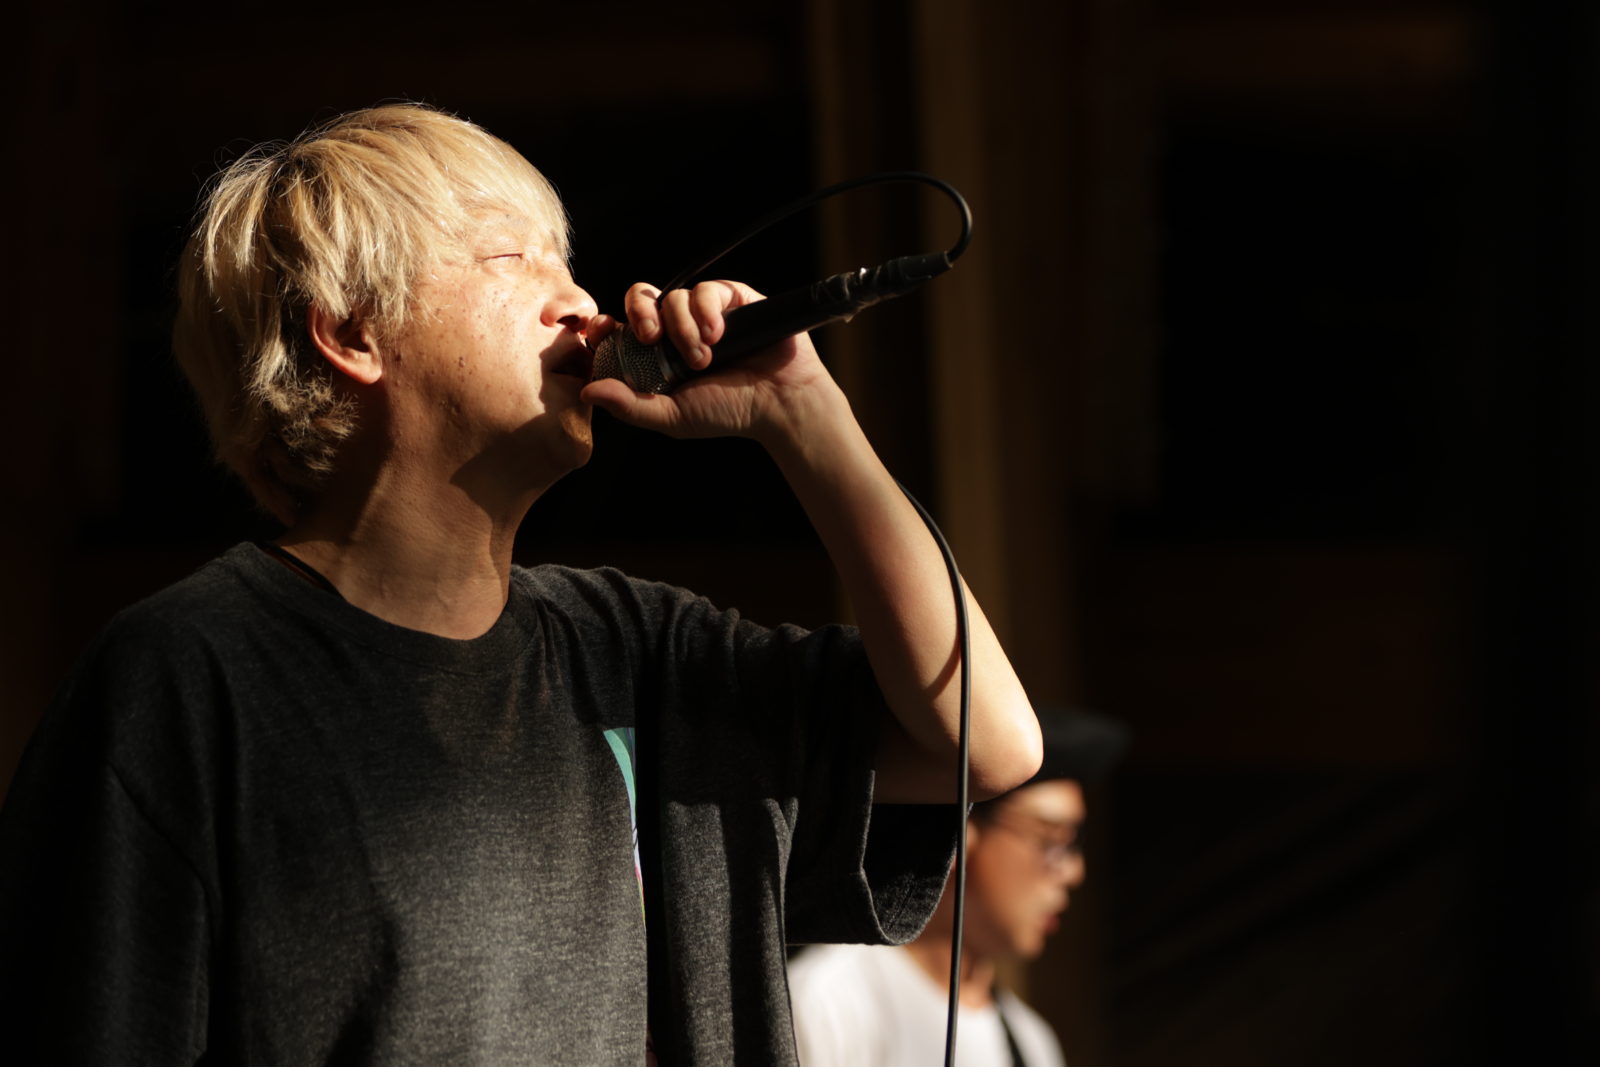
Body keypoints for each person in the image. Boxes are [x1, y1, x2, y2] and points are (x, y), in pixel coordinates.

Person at [0, 103, 1043, 1063]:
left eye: (569, 262)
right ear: (351, 332)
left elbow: (988, 743)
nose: (581, 301)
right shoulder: (185, 680)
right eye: (515, 258)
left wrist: (803, 414)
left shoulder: (641, 650)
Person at [787, 707, 1127, 1066]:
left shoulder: (1032, 1041)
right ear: (961, 834)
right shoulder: (832, 1005)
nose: (1074, 872)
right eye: (1053, 840)